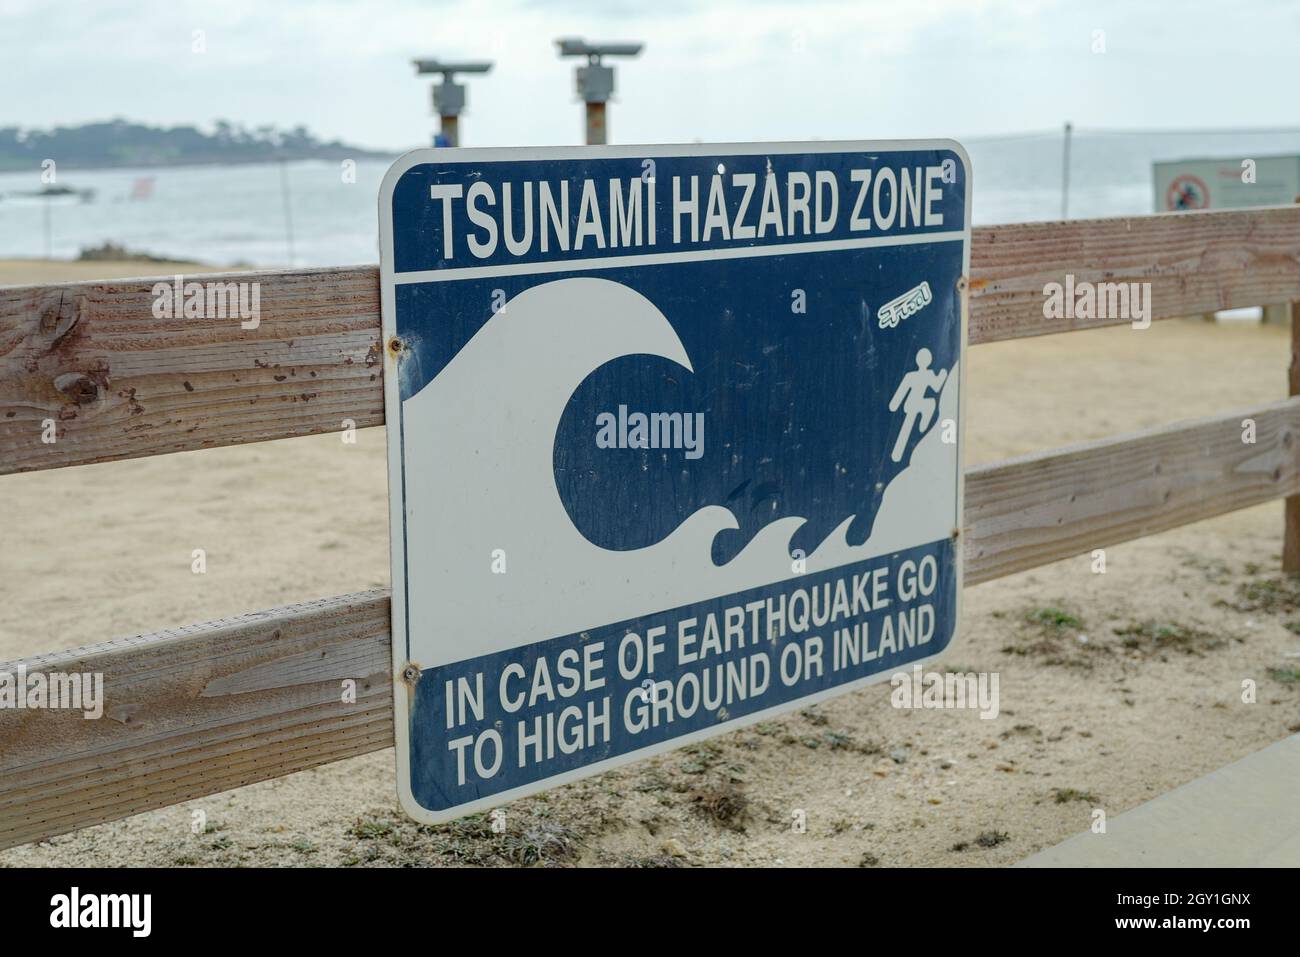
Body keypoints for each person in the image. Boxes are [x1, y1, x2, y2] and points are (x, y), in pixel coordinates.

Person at [888, 348, 948, 463]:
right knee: (907, 427)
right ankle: (923, 424)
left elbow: (936, 386)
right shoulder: (917, 375)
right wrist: (942, 374)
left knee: (906, 428)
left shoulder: (913, 376)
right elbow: (937, 385)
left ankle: (923, 424)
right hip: (915, 404)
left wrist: (894, 405)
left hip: (913, 404)